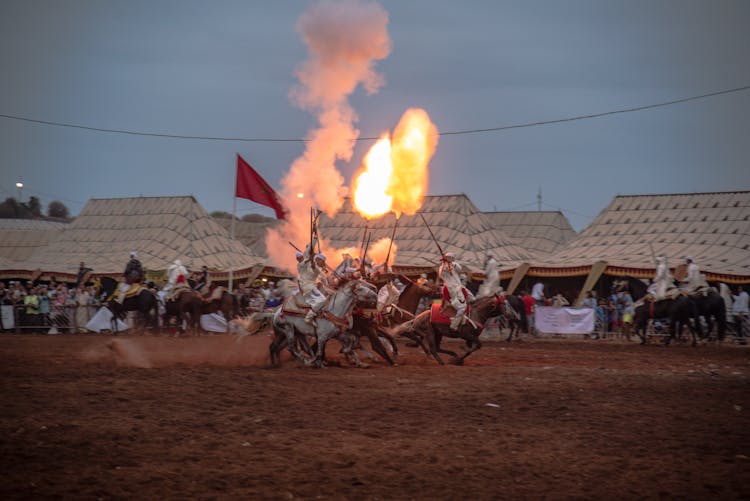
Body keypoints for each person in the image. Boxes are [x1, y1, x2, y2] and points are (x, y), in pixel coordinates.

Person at [297, 237, 328, 324]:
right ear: (318, 259)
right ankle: (308, 318)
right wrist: (314, 239)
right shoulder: (305, 263)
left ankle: (316, 316)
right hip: (308, 287)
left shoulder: (317, 267)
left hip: (311, 286)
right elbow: (308, 250)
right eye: (323, 261)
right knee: (322, 300)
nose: (324, 263)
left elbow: (320, 274)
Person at [439, 252, 468, 331]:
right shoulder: (443, 267)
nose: (448, 259)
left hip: (458, 287)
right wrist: (445, 263)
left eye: (450, 258)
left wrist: (450, 262)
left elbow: (459, 268)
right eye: (447, 258)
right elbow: (442, 273)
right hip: (451, 289)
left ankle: (463, 321)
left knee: (470, 298)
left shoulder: (454, 264)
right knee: (462, 308)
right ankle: (454, 325)